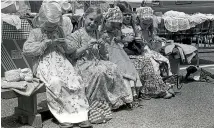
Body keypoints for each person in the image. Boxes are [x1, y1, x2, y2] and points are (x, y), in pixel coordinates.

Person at [23, 2, 92, 128]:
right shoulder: (36, 32)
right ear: (41, 20)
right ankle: (64, 115)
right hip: (44, 63)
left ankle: (80, 115)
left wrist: (64, 44)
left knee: (75, 79)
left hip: (61, 61)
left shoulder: (59, 30)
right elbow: (27, 49)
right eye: (49, 26)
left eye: (54, 26)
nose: (52, 29)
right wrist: (44, 44)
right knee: (56, 82)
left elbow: (69, 49)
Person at [66, 6, 132, 113]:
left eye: (96, 22)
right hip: (82, 64)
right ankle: (96, 102)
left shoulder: (97, 34)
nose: (93, 23)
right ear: (84, 18)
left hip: (96, 62)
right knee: (100, 72)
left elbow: (104, 57)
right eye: (91, 19)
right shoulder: (76, 35)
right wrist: (85, 46)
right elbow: (73, 56)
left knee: (113, 67)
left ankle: (114, 100)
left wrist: (101, 47)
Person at [100, 6, 142, 107]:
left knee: (126, 66)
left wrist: (119, 40)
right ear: (105, 21)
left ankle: (131, 95)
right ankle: (127, 97)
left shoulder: (115, 32)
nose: (114, 28)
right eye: (112, 25)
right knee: (120, 68)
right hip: (107, 53)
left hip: (117, 52)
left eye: (116, 26)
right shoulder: (100, 32)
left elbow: (119, 42)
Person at [132, 6, 176, 99]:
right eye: (144, 24)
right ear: (139, 20)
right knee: (154, 64)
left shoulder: (148, 29)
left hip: (149, 50)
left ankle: (167, 84)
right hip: (141, 51)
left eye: (148, 24)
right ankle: (155, 89)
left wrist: (157, 38)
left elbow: (151, 37)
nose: (146, 26)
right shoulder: (137, 29)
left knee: (165, 60)